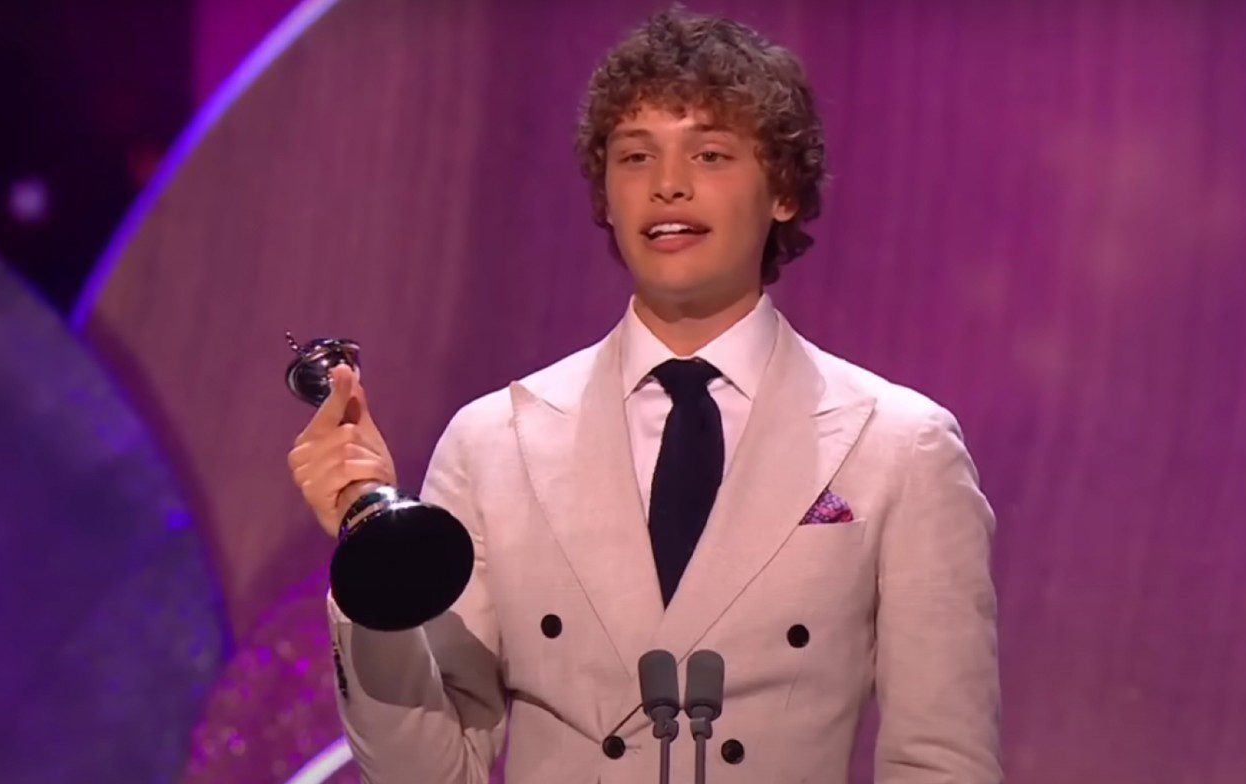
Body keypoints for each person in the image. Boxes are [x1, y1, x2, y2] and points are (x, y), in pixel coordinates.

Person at [287, 7, 999, 782]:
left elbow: (940, 761)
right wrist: (373, 553)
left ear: (784, 190)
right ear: (604, 197)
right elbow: (432, 773)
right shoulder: (495, 443)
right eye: (634, 157)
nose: (667, 186)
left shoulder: (901, 446)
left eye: (711, 154)